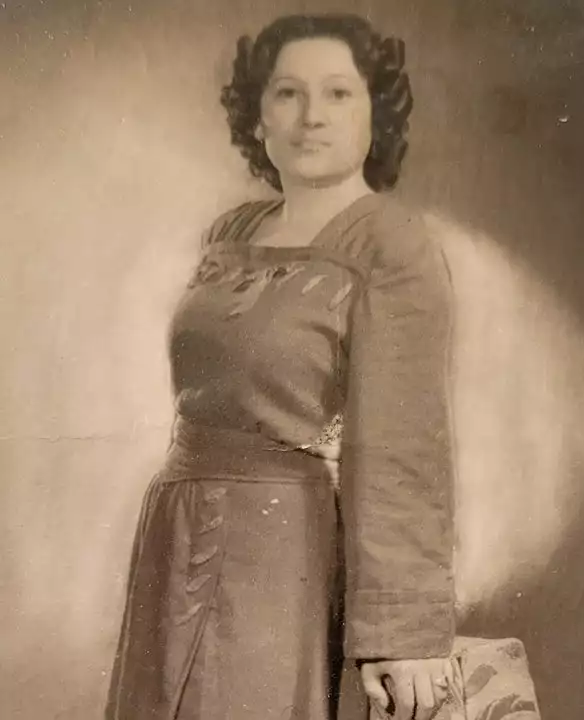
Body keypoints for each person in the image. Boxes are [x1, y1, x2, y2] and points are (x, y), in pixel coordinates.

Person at [105, 14, 474, 720]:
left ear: (376, 112)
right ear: (259, 114)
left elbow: (402, 447)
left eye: (339, 94)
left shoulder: (391, 247)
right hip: (174, 533)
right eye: (287, 94)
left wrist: (401, 634)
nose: (312, 117)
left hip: (282, 555)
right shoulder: (232, 231)